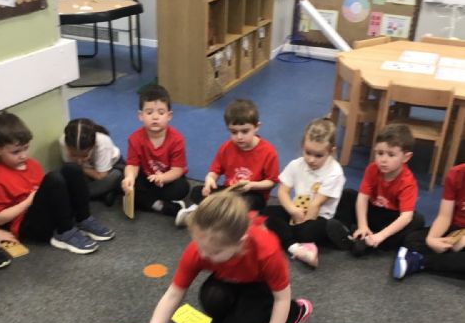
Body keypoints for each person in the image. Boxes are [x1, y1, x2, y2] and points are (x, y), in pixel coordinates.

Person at [123, 186, 312, 323]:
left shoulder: (267, 251)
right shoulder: (204, 247)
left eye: (214, 252)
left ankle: (296, 312)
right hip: (229, 280)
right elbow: (173, 294)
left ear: (240, 243)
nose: (204, 255)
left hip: (262, 288)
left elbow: (281, 298)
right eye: (201, 247)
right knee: (212, 297)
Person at [0, 111, 114, 255]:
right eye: (16, 152)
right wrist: (28, 201)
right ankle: (65, 232)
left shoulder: (32, 164)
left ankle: (83, 219)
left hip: (48, 214)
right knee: (54, 178)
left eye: (26, 148)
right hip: (28, 226)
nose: (23, 155)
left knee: (72, 169)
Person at [176, 99, 279, 225]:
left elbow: (271, 182)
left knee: (249, 203)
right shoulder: (226, 147)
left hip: (253, 194)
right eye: (234, 132)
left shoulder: (268, 151)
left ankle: (205, 213)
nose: (239, 137)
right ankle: (216, 214)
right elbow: (215, 171)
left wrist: (252, 185)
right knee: (197, 191)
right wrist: (210, 180)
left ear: (257, 127)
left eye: (245, 131)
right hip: (229, 191)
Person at [326, 124, 424, 256]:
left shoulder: (408, 182)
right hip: (372, 211)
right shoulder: (372, 169)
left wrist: (381, 236)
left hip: (390, 219)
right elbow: (362, 197)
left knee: (416, 219)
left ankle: (372, 242)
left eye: (391, 155)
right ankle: (347, 233)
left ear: (406, 157)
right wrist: (363, 225)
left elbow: (405, 217)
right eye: (380, 153)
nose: (383, 160)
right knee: (348, 194)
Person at [263, 118, 345, 267]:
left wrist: (300, 223)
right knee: (264, 213)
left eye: (318, 155)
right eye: (308, 153)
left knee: (305, 231)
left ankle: (292, 239)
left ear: (331, 152)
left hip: (319, 218)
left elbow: (315, 205)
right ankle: (296, 247)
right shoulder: (296, 165)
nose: (311, 159)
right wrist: (292, 210)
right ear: (302, 146)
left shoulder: (335, 172)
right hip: (297, 211)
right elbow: (283, 191)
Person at [121, 84, 189, 219]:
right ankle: (161, 206)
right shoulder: (134, 138)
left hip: (168, 179)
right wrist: (129, 177)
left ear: (169, 116)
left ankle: (148, 201)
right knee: (125, 183)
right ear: (140, 115)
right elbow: (132, 165)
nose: (155, 117)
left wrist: (162, 178)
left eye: (161, 113)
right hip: (147, 179)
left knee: (182, 188)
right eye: (149, 112)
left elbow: (177, 170)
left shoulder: (177, 139)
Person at [393, 163, 465, 280]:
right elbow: (444, 217)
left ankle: (422, 261)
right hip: (455, 230)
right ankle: (450, 263)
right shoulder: (456, 173)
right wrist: (431, 239)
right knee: (412, 239)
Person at [60, 118, 124, 207]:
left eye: (84, 156)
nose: (79, 160)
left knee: (116, 175)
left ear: (94, 145)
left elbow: (101, 175)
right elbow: (70, 167)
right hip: (88, 170)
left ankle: (81, 195)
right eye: (74, 155)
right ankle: (105, 192)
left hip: (110, 168)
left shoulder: (103, 143)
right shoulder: (63, 142)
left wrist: (80, 167)